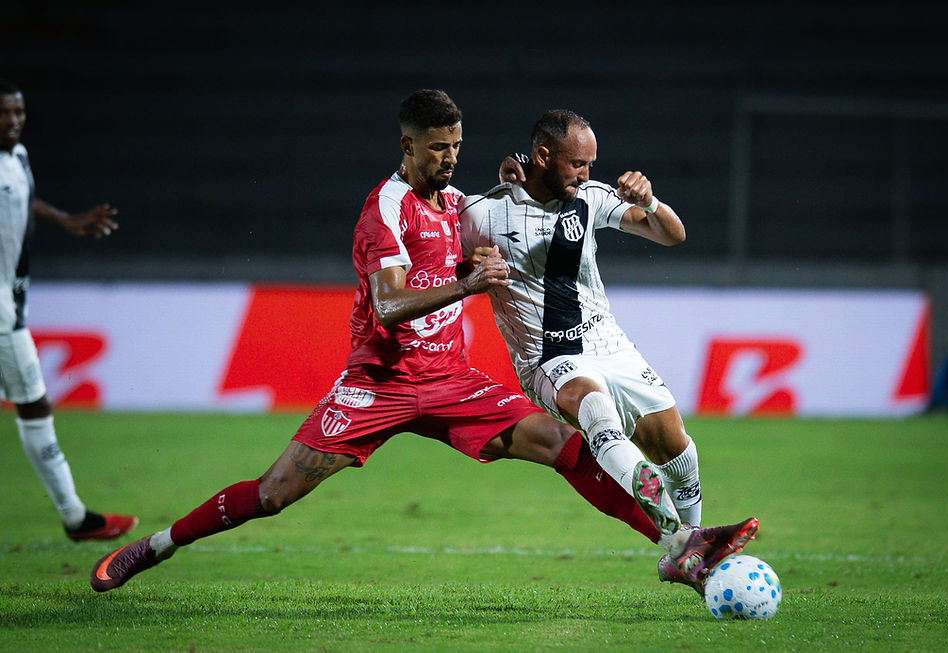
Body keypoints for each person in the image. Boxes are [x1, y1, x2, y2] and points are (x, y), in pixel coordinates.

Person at [90, 89, 755, 594]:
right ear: (407, 146)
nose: (449, 157)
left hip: (451, 380)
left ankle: (682, 543)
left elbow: (519, 203)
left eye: (457, 146)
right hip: (377, 382)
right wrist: (469, 286)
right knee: (272, 492)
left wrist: (523, 174)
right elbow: (387, 305)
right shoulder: (387, 208)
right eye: (438, 147)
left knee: (564, 445)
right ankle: (157, 544)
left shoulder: (459, 205)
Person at [460, 108, 757, 594]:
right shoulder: (483, 214)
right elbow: (442, 256)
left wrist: (653, 201)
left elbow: (672, 234)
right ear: (542, 156)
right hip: (548, 357)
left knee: (676, 447)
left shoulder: (592, 199)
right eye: (578, 164)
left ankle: (693, 551)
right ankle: (682, 542)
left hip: (610, 344)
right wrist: (468, 268)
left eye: (591, 164)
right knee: (596, 410)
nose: (586, 175)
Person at [0, 80, 137, 540]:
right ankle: (76, 516)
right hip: (1, 313)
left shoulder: (16, 157)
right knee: (34, 405)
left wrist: (63, 219)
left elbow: (19, 199)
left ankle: (76, 516)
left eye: (19, 112)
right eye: (6, 113)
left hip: (11, 303)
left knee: (33, 405)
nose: (15, 121)